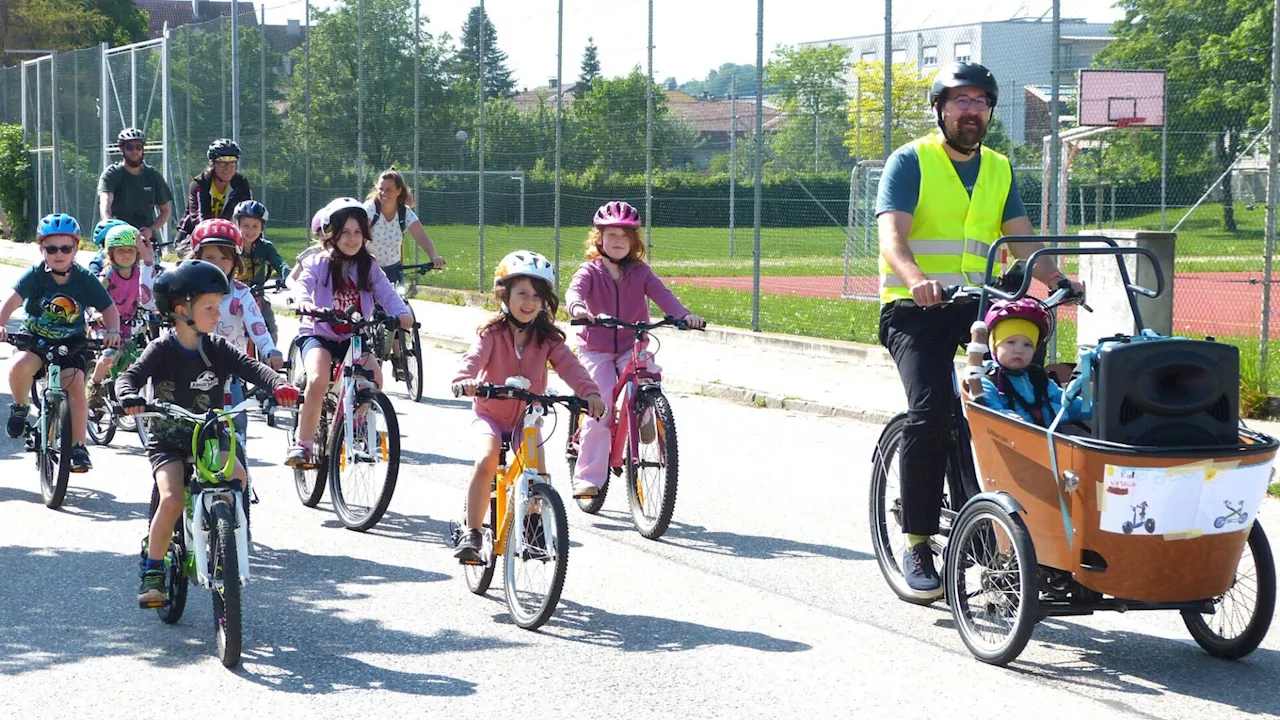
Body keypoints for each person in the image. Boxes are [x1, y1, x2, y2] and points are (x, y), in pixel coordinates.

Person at [876, 61, 1084, 598]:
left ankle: (1009, 541)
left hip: (980, 311)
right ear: (940, 108)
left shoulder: (997, 168)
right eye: (960, 100)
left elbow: (1022, 243)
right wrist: (917, 279)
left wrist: (1059, 278)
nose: (971, 110)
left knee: (1019, 409)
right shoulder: (911, 161)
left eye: (980, 102)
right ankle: (919, 541)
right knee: (931, 415)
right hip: (915, 311)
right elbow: (892, 237)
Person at [117, 260, 298, 606]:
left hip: (211, 432)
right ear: (182, 310)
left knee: (240, 477)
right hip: (169, 436)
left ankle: (228, 533)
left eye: (219, 306)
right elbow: (130, 377)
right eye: (210, 307)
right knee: (170, 498)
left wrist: (278, 384)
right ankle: (153, 570)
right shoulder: (162, 349)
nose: (218, 314)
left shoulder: (216, 347)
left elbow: (251, 367)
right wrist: (129, 396)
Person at [451, 250, 607, 563]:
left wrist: (590, 393)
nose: (530, 302)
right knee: (486, 459)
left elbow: (570, 366)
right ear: (504, 295)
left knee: (536, 472)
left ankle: (533, 525)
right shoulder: (492, 334)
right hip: (490, 415)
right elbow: (473, 360)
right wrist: (464, 379)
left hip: (528, 419)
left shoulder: (547, 338)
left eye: (537, 295)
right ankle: (473, 532)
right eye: (522, 293)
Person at [563, 201, 705, 498]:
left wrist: (683, 315)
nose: (618, 242)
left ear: (634, 242)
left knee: (648, 371)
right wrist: (577, 308)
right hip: (596, 348)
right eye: (612, 235)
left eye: (625, 237)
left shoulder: (641, 272)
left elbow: (664, 296)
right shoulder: (590, 271)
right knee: (598, 406)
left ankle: (645, 414)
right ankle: (588, 478)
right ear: (599, 239)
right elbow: (574, 291)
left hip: (631, 342)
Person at [285, 199, 414, 468]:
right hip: (318, 332)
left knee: (374, 377)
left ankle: (356, 424)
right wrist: (304, 302)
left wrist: (402, 313)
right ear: (332, 234)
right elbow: (303, 284)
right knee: (319, 379)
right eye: (345, 232)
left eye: (357, 232)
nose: (352, 239)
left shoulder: (369, 265)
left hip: (352, 336)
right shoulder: (318, 261)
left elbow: (387, 293)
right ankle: (303, 445)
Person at [0, 214, 121, 472]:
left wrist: (113, 330)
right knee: (18, 366)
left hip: (72, 343)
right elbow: (10, 302)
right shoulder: (35, 275)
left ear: (76, 248)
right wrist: (1, 324)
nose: (58, 254)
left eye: (65, 248)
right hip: (35, 340)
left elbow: (109, 308)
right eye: (51, 248)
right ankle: (21, 407)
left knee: (76, 385)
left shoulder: (85, 278)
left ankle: (78, 447)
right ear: (42, 249)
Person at [188, 218, 284, 439]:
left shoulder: (240, 293)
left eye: (225, 257)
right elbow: (150, 300)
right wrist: (146, 263)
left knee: (237, 423)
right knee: (187, 425)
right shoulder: (186, 288)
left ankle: (239, 462)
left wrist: (270, 350)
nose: (217, 263)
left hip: (229, 370)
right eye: (209, 257)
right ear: (197, 257)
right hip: (190, 366)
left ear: (235, 262)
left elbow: (257, 325)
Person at [967, 298, 1089, 427]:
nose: (1019, 350)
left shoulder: (1037, 378)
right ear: (994, 346)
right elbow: (989, 410)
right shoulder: (988, 381)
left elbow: (1066, 401)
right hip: (1016, 440)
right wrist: (1006, 416)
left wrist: (1094, 408)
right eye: (1011, 342)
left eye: (1027, 345)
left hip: (1056, 437)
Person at [86, 224, 157, 408]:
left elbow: (149, 291)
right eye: (120, 251)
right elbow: (94, 294)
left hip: (128, 323)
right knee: (111, 353)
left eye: (130, 250)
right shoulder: (110, 273)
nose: (126, 255)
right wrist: (96, 311)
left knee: (135, 355)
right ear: (111, 253)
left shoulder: (139, 272)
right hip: (107, 325)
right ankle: (94, 384)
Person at [363, 169, 446, 283]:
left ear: (398, 191)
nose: (383, 193)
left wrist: (433, 256)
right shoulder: (370, 209)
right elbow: (360, 234)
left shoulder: (404, 213)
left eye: (389, 190)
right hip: (369, 271)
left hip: (394, 272)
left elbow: (421, 236)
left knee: (399, 300)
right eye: (381, 189)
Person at [97, 127, 172, 252]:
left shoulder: (153, 175)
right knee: (103, 268)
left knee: (153, 270)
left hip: (145, 239)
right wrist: (109, 226)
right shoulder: (111, 174)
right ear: (121, 148)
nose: (134, 151)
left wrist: (151, 230)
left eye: (138, 147)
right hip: (118, 239)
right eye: (129, 147)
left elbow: (165, 211)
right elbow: (105, 203)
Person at [174, 139, 253, 257]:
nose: (227, 168)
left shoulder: (241, 184)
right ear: (212, 163)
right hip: (195, 234)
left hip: (227, 234)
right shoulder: (200, 183)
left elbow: (248, 215)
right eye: (222, 162)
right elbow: (199, 219)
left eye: (232, 162)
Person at [232, 200, 288, 344]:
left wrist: (289, 278)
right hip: (234, 297)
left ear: (262, 227)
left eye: (255, 226)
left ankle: (270, 361)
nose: (250, 231)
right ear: (237, 225)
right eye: (245, 226)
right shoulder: (230, 247)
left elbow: (280, 264)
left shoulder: (265, 247)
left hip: (257, 296)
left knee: (270, 328)